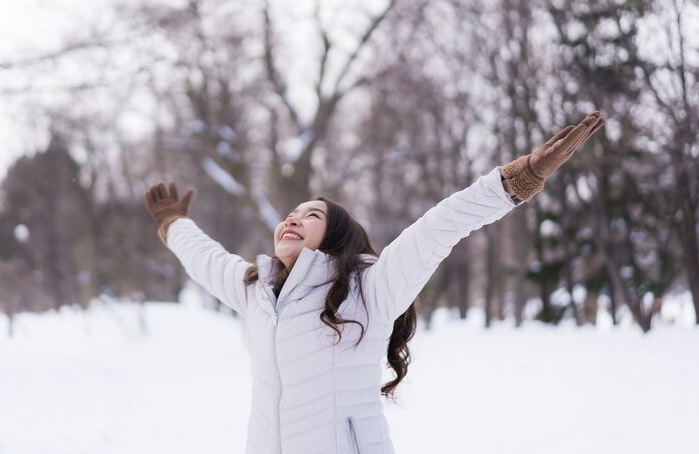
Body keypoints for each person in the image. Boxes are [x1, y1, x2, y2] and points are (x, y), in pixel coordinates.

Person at [145, 111, 605, 454]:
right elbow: (208, 260)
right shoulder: (257, 290)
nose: (294, 218)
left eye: (312, 215)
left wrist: (520, 177)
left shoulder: (369, 289)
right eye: (292, 213)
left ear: (335, 236)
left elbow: (440, 226)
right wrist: (173, 224)